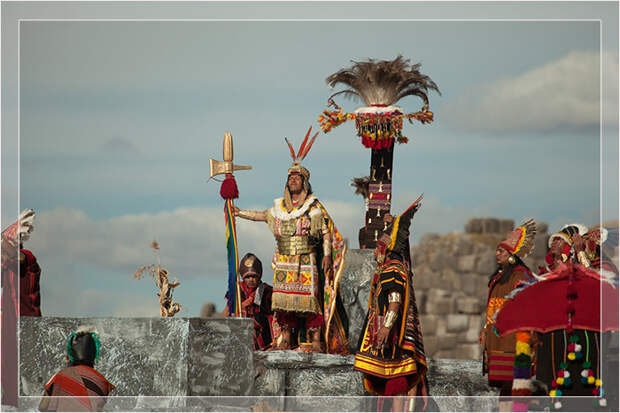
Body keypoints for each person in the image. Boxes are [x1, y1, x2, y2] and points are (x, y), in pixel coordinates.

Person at [233, 127, 348, 354]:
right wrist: (238, 212)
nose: (293, 180)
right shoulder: (279, 208)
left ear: (304, 182)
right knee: (284, 302)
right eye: (290, 178)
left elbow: (326, 230)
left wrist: (326, 255)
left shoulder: (313, 206)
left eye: (297, 178)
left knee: (309, 301)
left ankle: (316, 340)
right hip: (284, 259)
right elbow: (261, 215)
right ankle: (285, 338)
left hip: (305, 259)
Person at [354, 197, 428, 412]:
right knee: (391, 388)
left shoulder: (391, 269)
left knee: (396, 388)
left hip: (393, 340)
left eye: (379, 248)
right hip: (395, 340)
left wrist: (386, 326)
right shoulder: (395, 267)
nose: (376, 252)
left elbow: (394, 301)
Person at [480, 219, 536, 411]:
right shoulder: (499, 276)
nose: (497, 254)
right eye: (497, 250)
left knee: (515, 385)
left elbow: (525, 307)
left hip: (512, 340)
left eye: (501, 251)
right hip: (498, 338)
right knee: (505, 387)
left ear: (512, 256)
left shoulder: (520, 276)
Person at [1, 209, 40, 407]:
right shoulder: (6, 265)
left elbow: (10, 254)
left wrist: (9, 233)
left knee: (27, 380)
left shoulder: (27, 257)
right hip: (10, 326)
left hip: (26, 326)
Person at [39, 327, 115, 412]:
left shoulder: (60, 376)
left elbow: (43, 407)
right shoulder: (103, 382)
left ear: (70, 356)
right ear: (94, 357)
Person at [224, 253, 274, 350]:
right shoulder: (237, 290)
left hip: (265, 339)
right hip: (241, 335)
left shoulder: (267, 291)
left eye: (254, 276)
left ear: (259, 276)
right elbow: (227, 312)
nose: (251, 280)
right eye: (248, 277)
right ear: (242, 276)